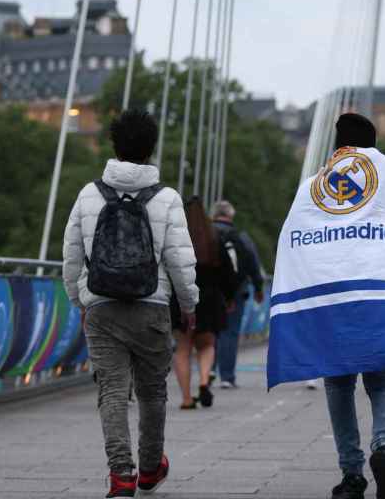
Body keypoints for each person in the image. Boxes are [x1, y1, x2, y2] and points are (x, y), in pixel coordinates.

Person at [267, 113, 385, 499]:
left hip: (331, 303)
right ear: (373, 146)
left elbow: (291, 243)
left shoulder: (312, 187)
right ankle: (383, 447)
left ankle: (351, 475)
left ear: (337, 145)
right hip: (382, 299)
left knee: (338, 383)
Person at [62, 108, 199, 498]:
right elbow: (180, 259)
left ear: (113, 145)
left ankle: (121, 473)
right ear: (152, 148)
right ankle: (151, 468)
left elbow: (72, 254)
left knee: (112, 392)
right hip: (152, 305)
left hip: (102, 307)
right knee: (153, 392)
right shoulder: (168, 198)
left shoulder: (89, 194)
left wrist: (79, 298)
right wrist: (189, 305)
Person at [171, 198, 238, 409]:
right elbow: (228, 273)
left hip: (181, 299)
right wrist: (229, 297)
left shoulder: (177, 238)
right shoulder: (215, 239)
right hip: (210, 300)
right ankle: (203, 382)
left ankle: (186, 398)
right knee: (207, 345)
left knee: (182, 349)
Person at [210, 200, 264, 389]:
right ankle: (227, 377)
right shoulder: (241, 238)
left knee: (210, 332)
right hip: (235, 292)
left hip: (209, 292)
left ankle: (207, 372)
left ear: (213, 214)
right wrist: (258, 288)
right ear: (231, 216)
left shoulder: (203, 235)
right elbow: (252, 264)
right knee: (230, 333)